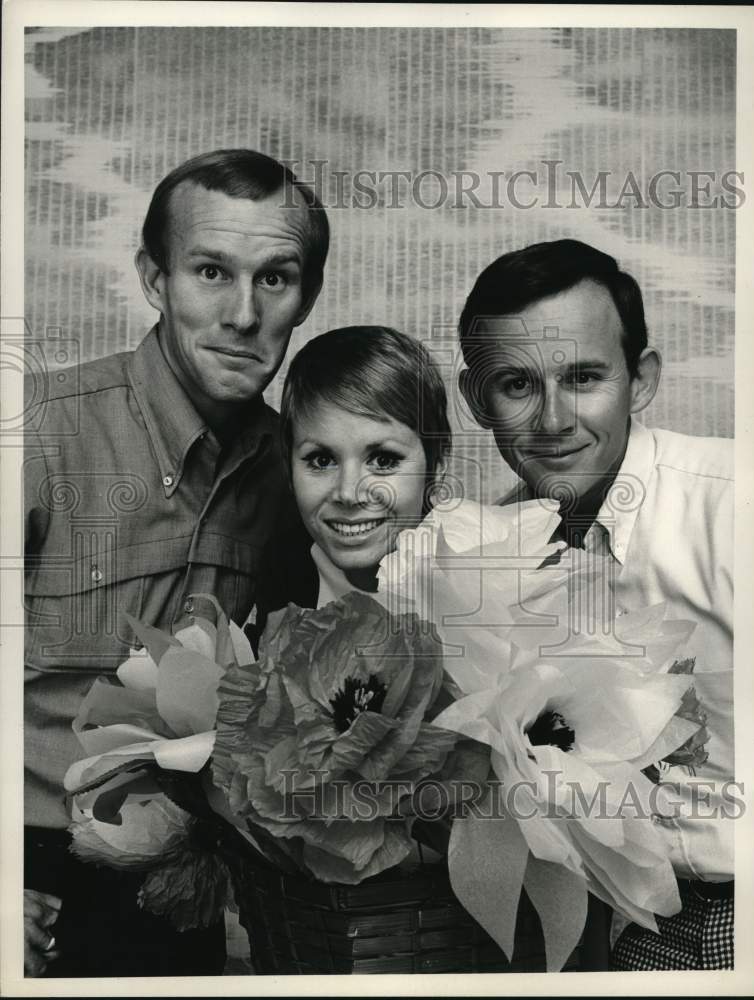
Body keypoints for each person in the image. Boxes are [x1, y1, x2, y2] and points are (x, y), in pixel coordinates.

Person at [23, 148, 328, 976]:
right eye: (209, 272)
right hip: (26, 861)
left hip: (180, 882)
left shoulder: (299, 468)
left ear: (308, 296)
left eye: (275, 279)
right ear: (154, 279)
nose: (242, 314)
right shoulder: (40, 433)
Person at [457, 239, 734, 971]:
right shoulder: (491, 556)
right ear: (475, 398)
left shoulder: (734, 507)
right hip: (629, 931)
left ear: (640, 380)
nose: (553, 420)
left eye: (583, 377)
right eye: (517, 384)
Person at [252, 324, 451, 621]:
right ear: (289, 468)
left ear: (436, 466)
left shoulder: (473, 581)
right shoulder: (281, 570)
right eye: (321, 461)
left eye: (383, 461)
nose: (348, 493)